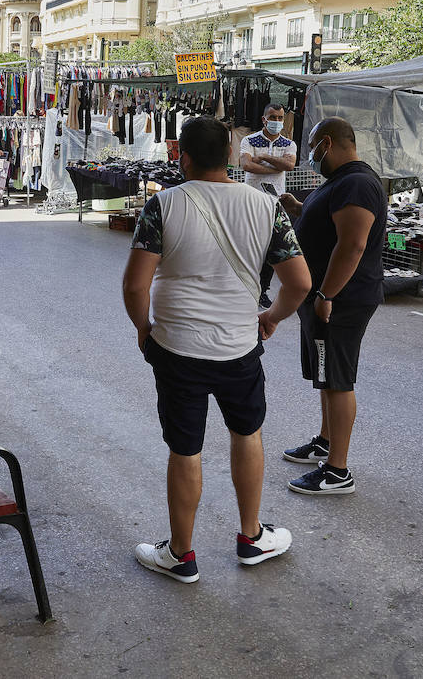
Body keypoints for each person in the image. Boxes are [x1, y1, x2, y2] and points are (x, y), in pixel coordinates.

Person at [123, 116, 311, 583]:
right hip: (239, 348)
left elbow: (134, 284)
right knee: (246, 434)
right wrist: (272, 318)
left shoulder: (162, 206)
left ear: (183, 157)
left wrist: (143, 328)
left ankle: (181, 555)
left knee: (185, 449)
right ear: (230, 157)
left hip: (176, 347)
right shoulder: (267, 207)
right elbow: (300, 283)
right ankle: (251, 538)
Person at [276, 117, 385, 496]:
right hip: (325, 296)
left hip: (341, 300)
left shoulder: (357, 182)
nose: (310, 154)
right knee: (325, 374)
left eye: (312, 146)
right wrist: (298, 208)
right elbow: (328, 226)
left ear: (328, 143)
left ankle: (338, 470)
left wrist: (326, 295)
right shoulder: (342, 182)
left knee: (337, 380)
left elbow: (352, 245)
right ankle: (325, 442)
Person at [240, 104, 299, 310]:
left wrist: (264, 158)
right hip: (251, 202)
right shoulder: (249, 140)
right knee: (250, 249)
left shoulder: (289, 143)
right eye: (272, 117)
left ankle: (262, 290)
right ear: (264, 119)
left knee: (271, 249)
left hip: (276, 203)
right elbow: (246, 165)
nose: (277, 121)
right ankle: (247, 290)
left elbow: (289, 166)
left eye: (280, 118)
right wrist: (276, 168)